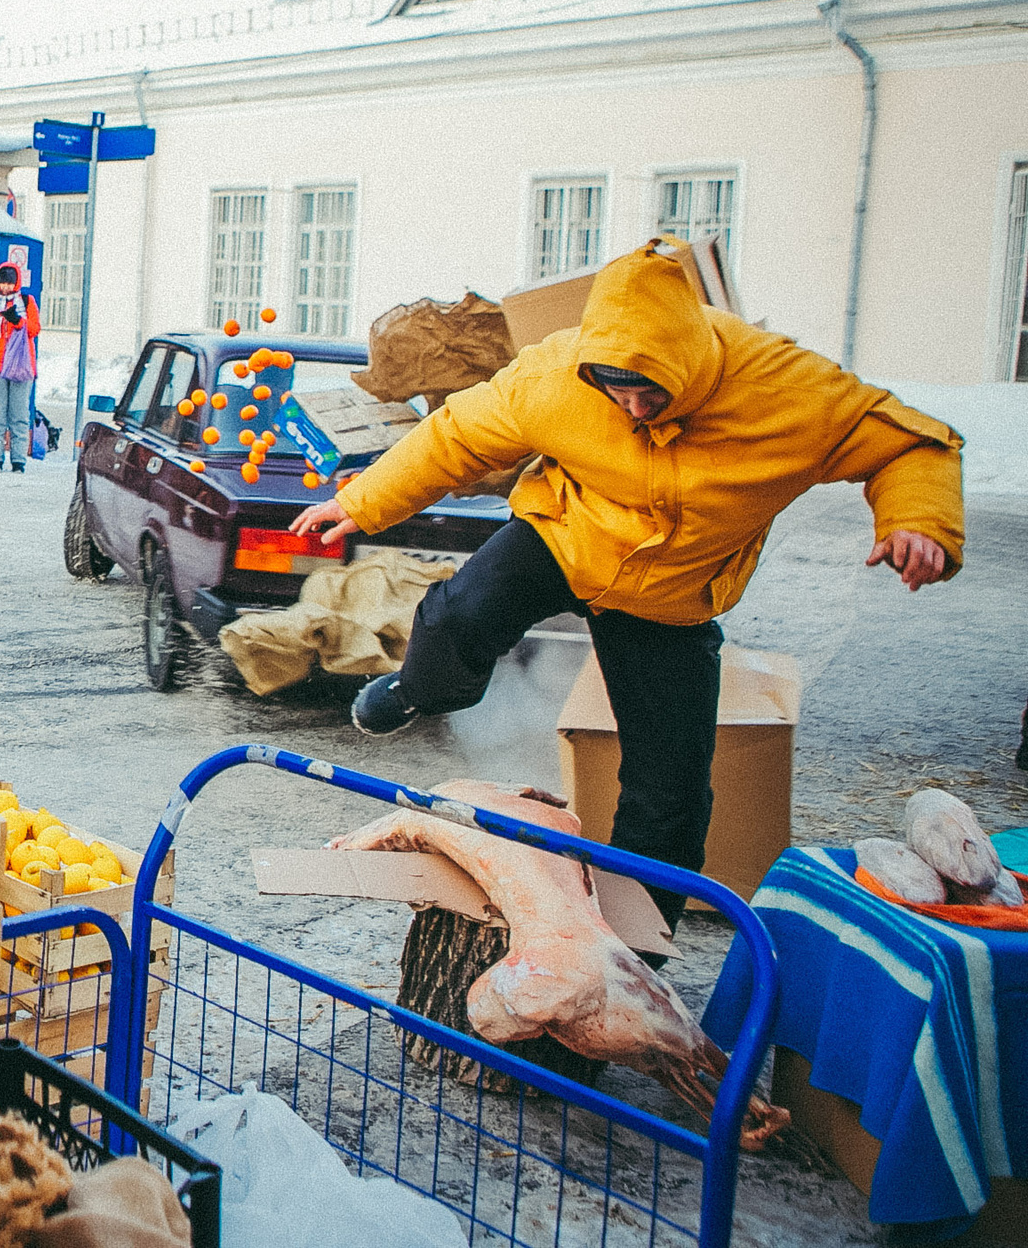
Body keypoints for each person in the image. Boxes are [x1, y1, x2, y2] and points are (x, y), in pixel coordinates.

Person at [291, 239, 964, 934]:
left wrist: (917, 521)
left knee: (670, 787)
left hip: (670, 592)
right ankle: (419, 690)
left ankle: (642, 939)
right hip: (565, 534)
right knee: (457, 612)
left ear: (690, 365)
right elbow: (456, 437)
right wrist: (362, 502)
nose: (635, 406)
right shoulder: (554, 372)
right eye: (618, 390)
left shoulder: (791, 390)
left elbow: (914, 442)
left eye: (652, 392)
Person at [0, 263, 40, 473]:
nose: (6, 287)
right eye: (2, 283)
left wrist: (17, 320)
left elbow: (34, 329)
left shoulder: (27, 301)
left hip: (21, 364)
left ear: (17, 282)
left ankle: (18, 460)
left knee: (19, 414)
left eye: (10, 283)